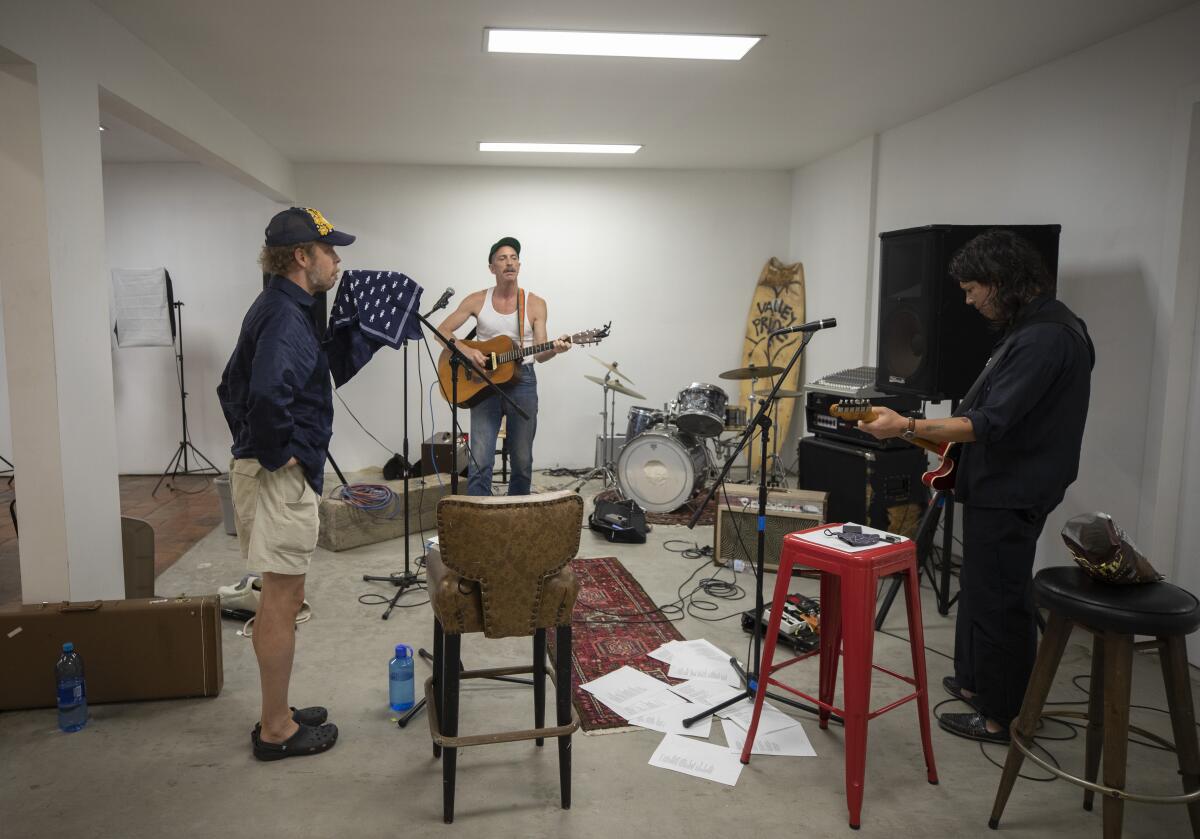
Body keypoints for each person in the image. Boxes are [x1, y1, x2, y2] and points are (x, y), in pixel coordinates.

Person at [858, 229, 1094, 744]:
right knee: (983, 592)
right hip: (999, 484)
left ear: (1001, 281)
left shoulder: (1046, 338)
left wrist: (904, 427)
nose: (968, 301)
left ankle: (1002, 716)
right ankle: (976, 683)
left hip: (1014, 490)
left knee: (1000, 600)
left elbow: (988, 424)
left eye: (972, 289)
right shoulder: (1032, 329)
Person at [217, 206, 353, 760]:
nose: (338, 260)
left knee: (287, 593)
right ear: (302, 256)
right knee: (279, 600)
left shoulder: (286, 307)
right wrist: (278, 454)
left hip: (272, 472)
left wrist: (258, 448)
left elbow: (230, 386)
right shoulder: (282, 315)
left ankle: (278, 712)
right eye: (329, 250)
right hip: (277, 479)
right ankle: (275, 730)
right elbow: (264, 394)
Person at [436, 237, 570, 496]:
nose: (509, 262)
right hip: (484, 382)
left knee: (522, 461)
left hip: (524, 381)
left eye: (513, 258)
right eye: (502, 258)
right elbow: (441, 331)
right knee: (480, 461)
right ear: (492, 268)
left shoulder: (535, 303)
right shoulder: (477, 300)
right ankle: (479, 521)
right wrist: (468, 349)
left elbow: (540, 353)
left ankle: (515, 519)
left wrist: (556, 348)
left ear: (519, 264)